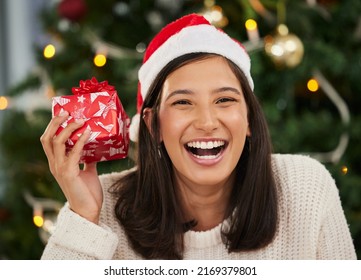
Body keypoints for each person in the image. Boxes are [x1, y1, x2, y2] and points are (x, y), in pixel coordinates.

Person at [40, 14, 356, 260]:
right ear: (153, 125)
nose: (207, 122)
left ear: (248, 119)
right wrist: (83, 218)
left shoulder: (306, 189)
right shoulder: (100, 207)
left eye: (225, 100)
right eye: (182, 102)